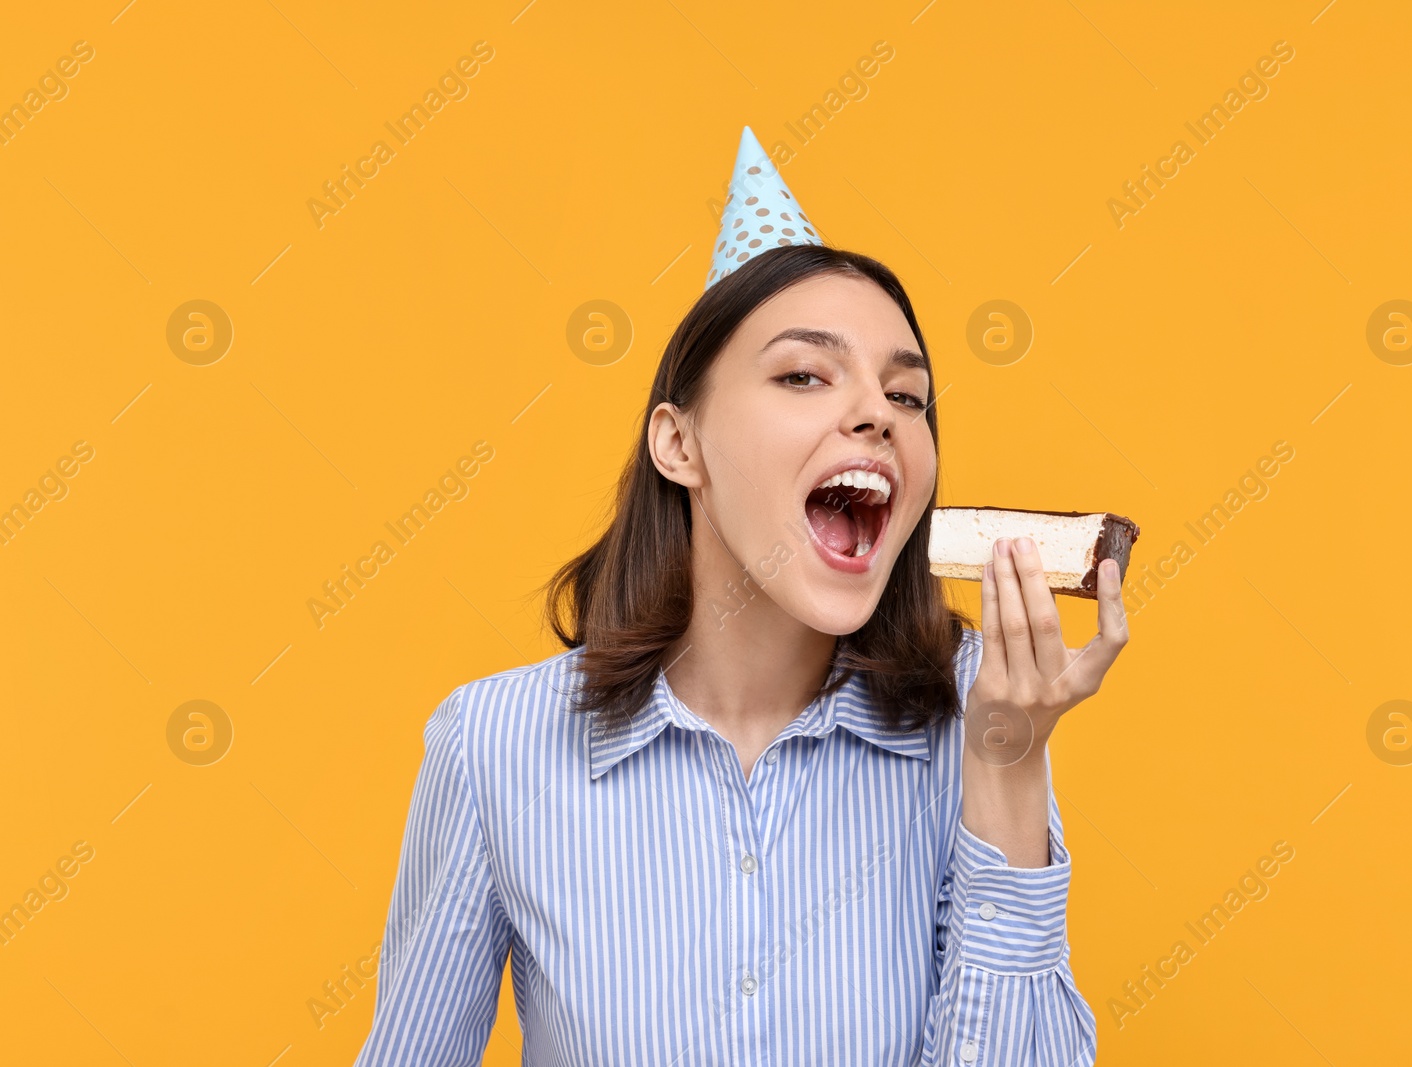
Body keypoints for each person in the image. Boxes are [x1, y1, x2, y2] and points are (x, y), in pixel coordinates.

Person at [354, 129, 1127, 1067]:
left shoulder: (979, 716)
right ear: (680, 445)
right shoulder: (494, 746)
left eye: (908, 396)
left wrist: (1006, 762)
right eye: (804, 374)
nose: (878, 413)